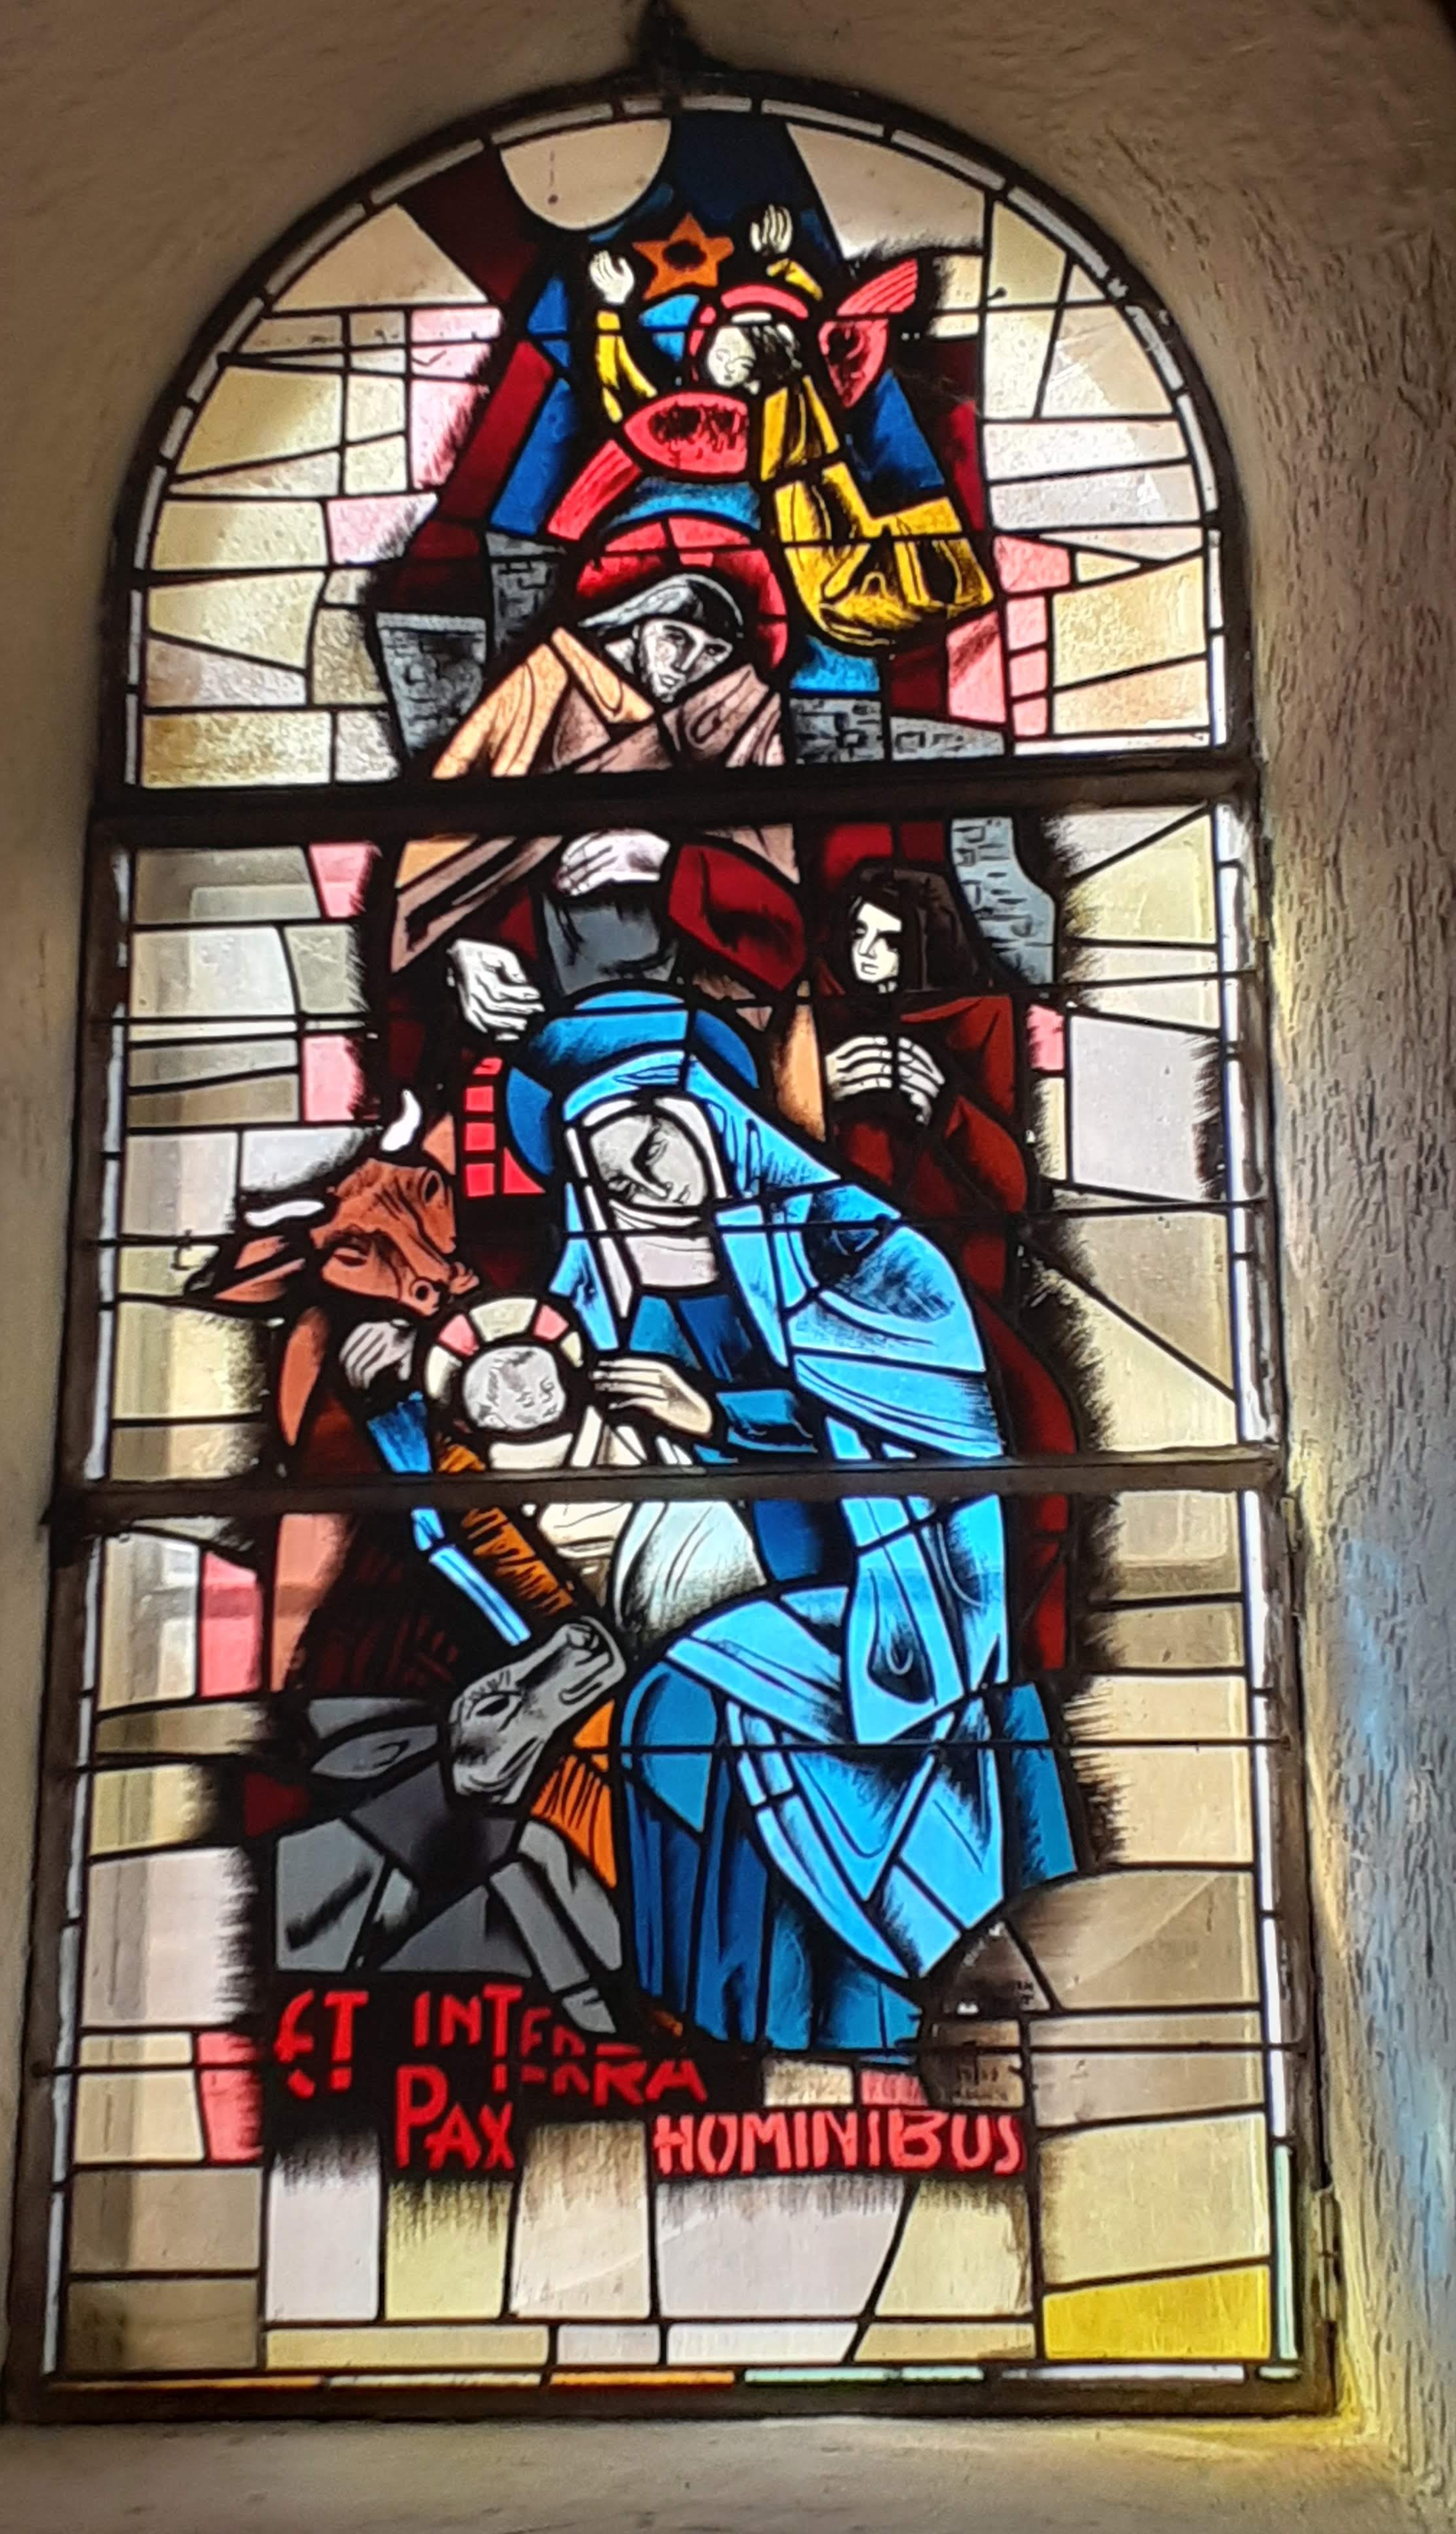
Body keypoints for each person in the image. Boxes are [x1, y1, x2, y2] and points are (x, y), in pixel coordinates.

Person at [502, 992, 1079, 2059]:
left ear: (705, 1116)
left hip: (902, 1606)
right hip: (745, 1606)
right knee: (667, 1715)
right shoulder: (619, 1311)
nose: (642, 1184)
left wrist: (719, 1417)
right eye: (612, 1176)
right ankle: (730, 2040)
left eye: (649, 1145)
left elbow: (930, 1443)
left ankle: (890, 2017)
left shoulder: (852, 1247)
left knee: (719, 1703)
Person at [819, 852, 1081, 1670]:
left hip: (960, 1298)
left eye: (888, 940)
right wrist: (815, 1097)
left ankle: (1014, 1665)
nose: (868, 955)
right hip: (837, 1298)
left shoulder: (979, 1018)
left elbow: (1010, 1189)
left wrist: (946, 1106)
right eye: (858, 936)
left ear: (927, 945)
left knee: (1039, 1436)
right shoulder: (816, 1022)